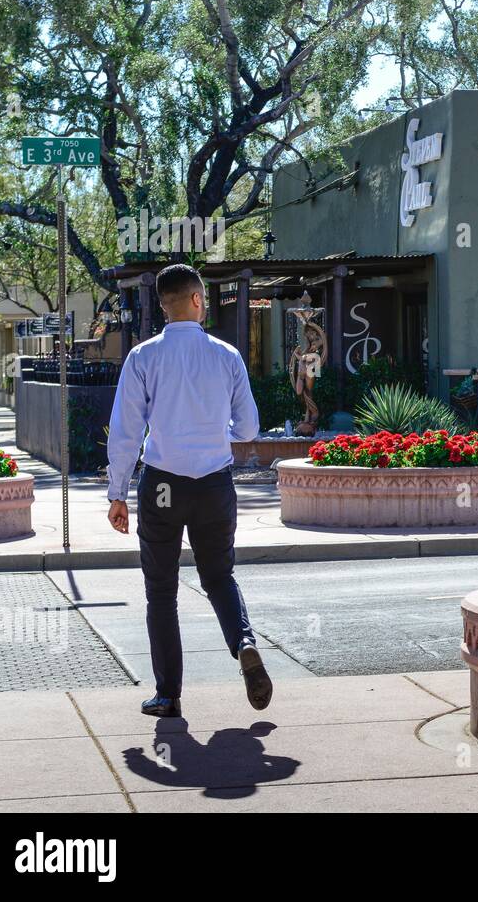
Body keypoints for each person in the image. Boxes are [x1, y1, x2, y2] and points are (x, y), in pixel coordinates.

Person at [106, 263, 271, 718]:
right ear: (198, 300)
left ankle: (168, 695)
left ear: (163, 305)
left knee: (161, 590)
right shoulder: (227, 356)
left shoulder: (143, 357)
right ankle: (244, 643)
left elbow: (125, 431)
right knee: (219, 576)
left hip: (162, 484)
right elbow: (249, 429)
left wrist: (116, 493)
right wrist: (219, 427)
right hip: (214, 483)